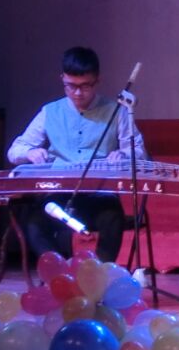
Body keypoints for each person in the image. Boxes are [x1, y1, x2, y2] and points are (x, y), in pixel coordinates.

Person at [8, 46, 146, 262]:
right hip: (59, 194)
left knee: (112, 219)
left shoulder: (116, 111)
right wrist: (31, 151)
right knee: (34, 225)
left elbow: (139, 152)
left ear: (97, 80)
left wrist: (124, 155)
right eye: (71, 86)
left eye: (85, 86)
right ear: (62, 79)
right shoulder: (50, 112)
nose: (78, 93)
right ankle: (60, 273)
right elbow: (15, 151)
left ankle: (97, 276)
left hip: (100, 195)